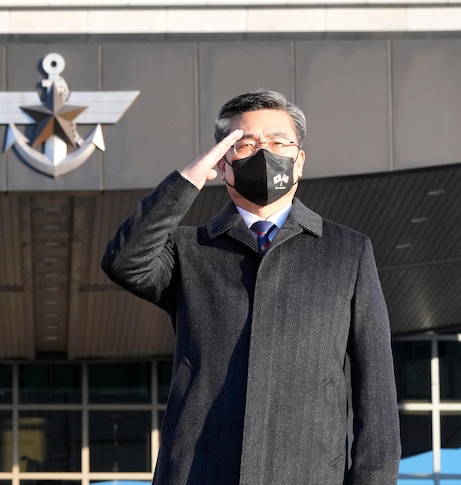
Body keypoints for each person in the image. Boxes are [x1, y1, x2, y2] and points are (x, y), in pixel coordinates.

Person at [101, 90, 400, 484]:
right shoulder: (190, 250)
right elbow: (125, 261)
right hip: (199, 472)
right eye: (245, 145)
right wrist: (187, 181)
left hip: (306, 474)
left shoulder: (347, 251)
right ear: (223, 164)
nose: (265, 153)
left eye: (279, 142)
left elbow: (374, 393)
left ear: (300, 160)